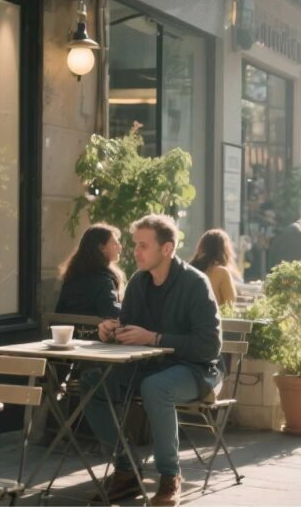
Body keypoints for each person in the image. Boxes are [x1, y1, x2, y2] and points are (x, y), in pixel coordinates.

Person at [86, 214, 221, 506]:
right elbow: (130, 328)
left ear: (167, 249)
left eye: (143, 245)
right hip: (147, 367)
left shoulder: (195, 284)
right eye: (135, 244)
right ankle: (127, 470)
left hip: (195, 370)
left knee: (155, 387)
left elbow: (209, 346)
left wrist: (155, 338)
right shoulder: (138, 282)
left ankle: (170, 477)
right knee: (92, 383)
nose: (135, 251)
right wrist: (110, 331)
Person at [55, 223, 125, 317]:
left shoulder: (72, 277)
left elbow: (59, 314)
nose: (120, 247)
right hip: (92, 331)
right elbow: (113, 316)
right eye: (115, 244)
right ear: (101, 248)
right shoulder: (104, 282)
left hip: (70, 331)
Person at [190, 229, 240, 307]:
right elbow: (230, 305)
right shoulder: (222, 273)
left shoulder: (188, 271)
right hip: (212, 318)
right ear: (224, 250)